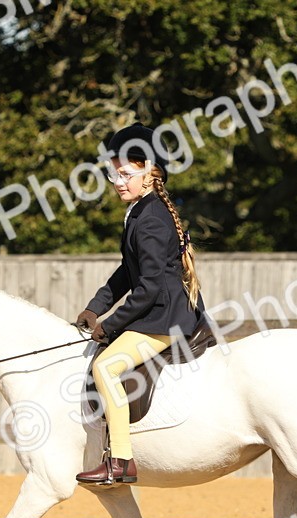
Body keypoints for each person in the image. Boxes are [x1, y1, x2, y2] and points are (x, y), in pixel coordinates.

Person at [74, 123, 206, 486]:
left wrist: (110, 324)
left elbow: (147, 289)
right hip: (159, 311)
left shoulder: (150, 220)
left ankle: (121, 460)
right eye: (113, 174)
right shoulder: (141, 211)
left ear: (149, 174)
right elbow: (127, 271)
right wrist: (95, 307)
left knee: (106, 368)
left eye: (125, 174)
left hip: (165, 318)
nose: (117, 182)